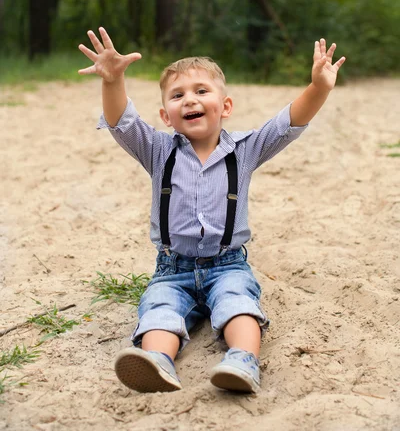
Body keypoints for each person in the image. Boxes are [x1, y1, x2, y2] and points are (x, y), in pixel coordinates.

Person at [78, 27, 345, 394]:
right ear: (166, 115)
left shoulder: (245, 151)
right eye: (178, 95)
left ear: (226, 106)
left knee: (239, 305)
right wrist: (113, 80)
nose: (190, 100)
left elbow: (289, 124)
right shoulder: (158, 151)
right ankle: (158, 360)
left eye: (201, 91)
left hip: (228, 264)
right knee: (159, 308)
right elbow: (122, 122)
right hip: (173, 268)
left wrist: (319, 88)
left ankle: (242, 360)